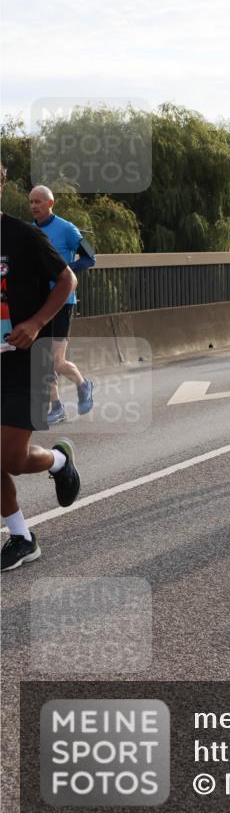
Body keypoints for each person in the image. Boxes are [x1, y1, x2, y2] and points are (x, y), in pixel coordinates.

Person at [1, 164, 81, 572]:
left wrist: (35, 323)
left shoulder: (23, 236)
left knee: (11, 459)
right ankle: (21, 537)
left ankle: (59, 462)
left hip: (25, 362)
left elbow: (67, 280)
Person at [28, 186, 96, 424]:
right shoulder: (30, 231)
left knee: (56, 361)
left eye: (38, 201)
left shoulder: (67, 229)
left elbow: (90, 257)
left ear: (50, 203)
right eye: (31, 202)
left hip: (63, 301)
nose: (34, 206)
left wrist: (65, 272)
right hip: (40, 304)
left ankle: (83, 384)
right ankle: (56, 406)